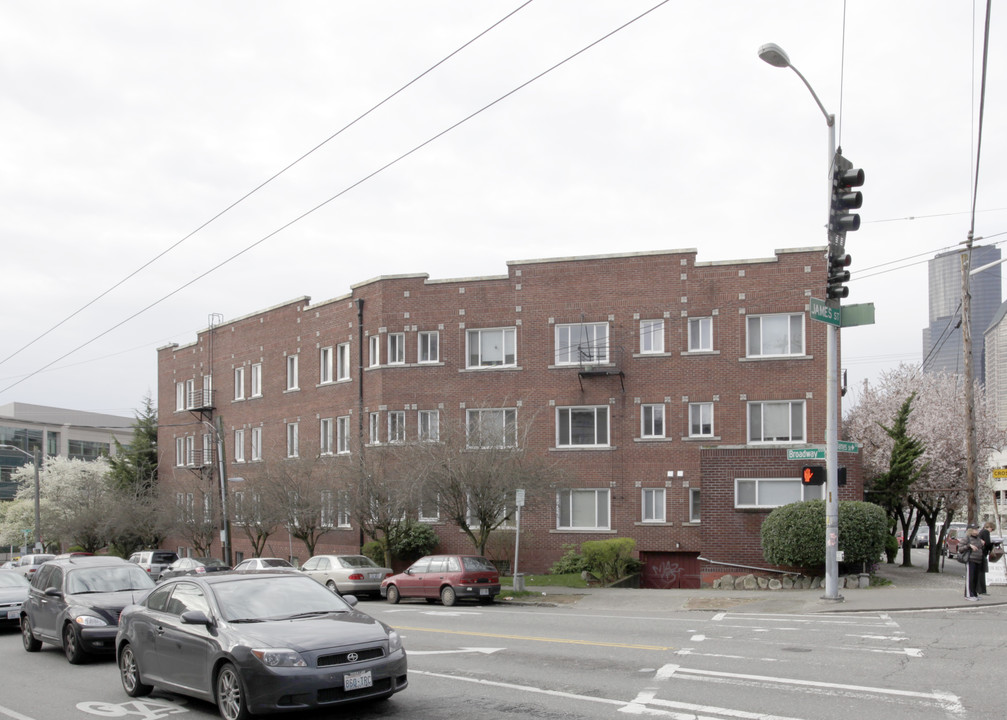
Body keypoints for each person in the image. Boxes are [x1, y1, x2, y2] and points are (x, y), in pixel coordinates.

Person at [963, 525, 985, 601]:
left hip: (978, 560)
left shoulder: (978, 539)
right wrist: (969, 546)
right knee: (970, 577)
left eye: (977, 529)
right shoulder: (967, 538)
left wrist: (983, 543)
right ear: (971, 530)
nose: (977, 531)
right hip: (971, 559)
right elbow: (960, 548)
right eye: (975, 529)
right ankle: (968, 594)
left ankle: (974, 593)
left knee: (975, 578)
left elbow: (980, 548)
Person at [978, 521, 995, 595]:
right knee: (982, 571)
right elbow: (987, 543)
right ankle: (982, 590)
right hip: (982, 553)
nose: (992, 531)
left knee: (979, 572)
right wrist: (993, 545)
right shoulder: (985, 532)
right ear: (990, 527)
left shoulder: (981, 532)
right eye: (992, 529)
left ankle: (979, 589)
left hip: (979, 553)